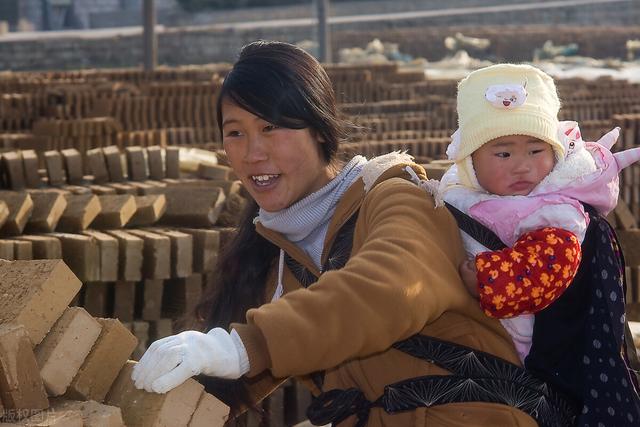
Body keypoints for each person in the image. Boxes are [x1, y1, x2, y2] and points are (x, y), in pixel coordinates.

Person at [130, 41, 548, 426]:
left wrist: (246, 345)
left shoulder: (395, 197)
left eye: (271, 128)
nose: (253, 152)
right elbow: (218, 397)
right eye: (235, 132)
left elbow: (392, 288)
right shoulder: (278, 264)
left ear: (320, 130)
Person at [434, 63, 640, 426]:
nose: (522, 167)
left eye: (535, 151)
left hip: (543, 352)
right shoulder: (461, 195)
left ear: (556, 152)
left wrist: (487, 279)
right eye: (503, 154)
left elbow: (550, 265)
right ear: (471, 162)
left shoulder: (555, 211)